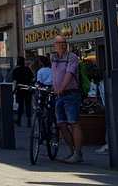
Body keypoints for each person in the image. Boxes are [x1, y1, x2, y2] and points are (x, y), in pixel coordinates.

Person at [52, 35, 83, 164]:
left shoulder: (72, 57)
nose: (62, 45)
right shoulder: (53, 58)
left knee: (73, 123)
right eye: (59, 43)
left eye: (64, 42)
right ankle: (72, 152)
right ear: (55, 45)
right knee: (61, 124)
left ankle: (77, 153)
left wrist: (61, 88)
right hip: (58, 96)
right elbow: (54, 75)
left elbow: (69, 74)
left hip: (71, 93)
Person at [11, 57, 34, 127]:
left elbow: (15, 81)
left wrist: (14, 90)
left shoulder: (16, 70)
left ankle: (19, 120)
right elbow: (32, 78)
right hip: (28, 89)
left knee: (20, 106)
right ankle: (29, 121)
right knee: (28, 105)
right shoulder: (28, 69)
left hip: (20, 89)